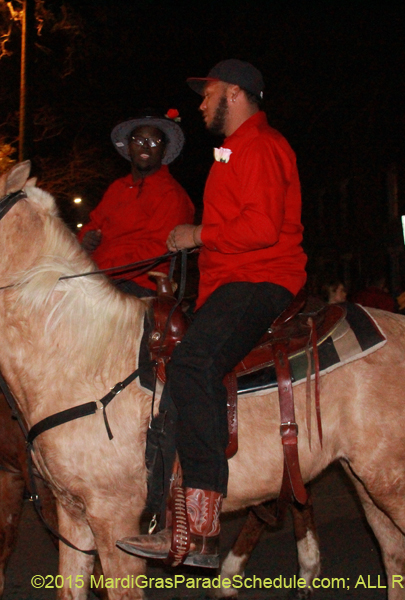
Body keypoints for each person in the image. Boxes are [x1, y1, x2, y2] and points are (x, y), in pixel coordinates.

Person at [117, 59, 307, 567]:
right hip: (229, 284)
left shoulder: (261, 146)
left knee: (192, 365)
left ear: (237, 94)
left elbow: (264, 227)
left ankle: (201, 529)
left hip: (261, 280)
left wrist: (195, 234)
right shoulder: (231, 151)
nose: (202, 103)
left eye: (209, 93)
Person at [78, 109, 194, 297]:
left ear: (164, 150)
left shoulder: (172, 194)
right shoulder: (117, 187)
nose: (146, 147)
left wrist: (101, 270)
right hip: (97, 278)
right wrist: (86, 238)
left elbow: (155, 252)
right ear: (129, 147)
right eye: (139, 141)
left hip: (136, 285)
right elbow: (93, 223)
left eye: (154, 142)